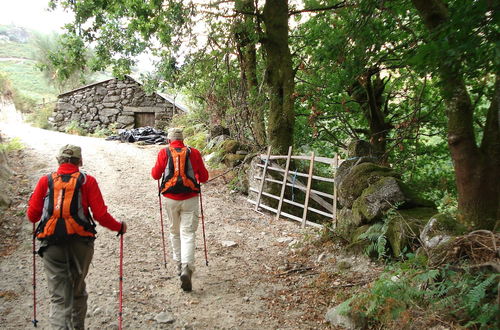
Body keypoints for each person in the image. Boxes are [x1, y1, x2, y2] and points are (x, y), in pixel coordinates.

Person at [27, 144, 126, 330]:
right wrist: (119, 227)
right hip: (81, 242)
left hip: (51, 244)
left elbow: (32, 215)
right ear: (80, 161)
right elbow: (100, 215)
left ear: (59, 160)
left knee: (59, 297)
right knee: (77, 290)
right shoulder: (87, 181)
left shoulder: (45, 181)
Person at [151, 127, 209, 292]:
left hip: (170, 199)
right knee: (188, 233)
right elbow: (204, 177)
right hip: (190, 198)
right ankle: (187, 267)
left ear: (169, 140)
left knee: (174, 232)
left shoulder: (164, 152)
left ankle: (178, 264)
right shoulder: (194, 152)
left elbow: (155, 175)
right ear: (183, 140)